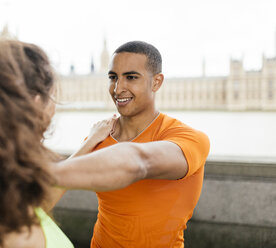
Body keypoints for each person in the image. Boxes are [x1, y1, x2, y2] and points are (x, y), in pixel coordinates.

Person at [0, 35, 116, 248]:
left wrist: (88, 144)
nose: (55, 107)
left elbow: (39, 203)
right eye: (51, 97)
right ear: (34, 106)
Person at [53, 41, 210, 247]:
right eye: (113, 77)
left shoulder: (189, 139)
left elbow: (139, 163)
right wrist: (89, 142)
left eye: (131, 77)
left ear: (156, 82)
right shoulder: (99, 137)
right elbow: (45, 199)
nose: (118, 88)